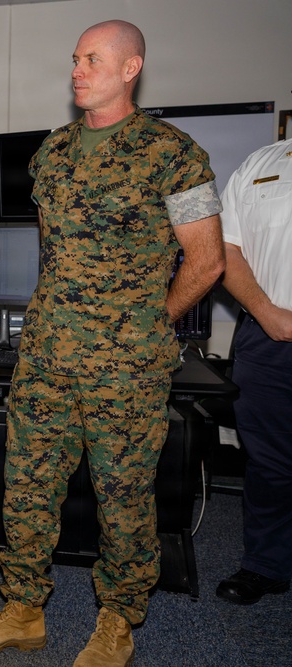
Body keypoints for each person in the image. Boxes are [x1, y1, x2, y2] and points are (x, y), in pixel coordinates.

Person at [0, 20, 224, 667]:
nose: (77, 69)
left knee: (123, 492)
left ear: (131, 68)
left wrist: (150, 323)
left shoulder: (172, 152)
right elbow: (56, 251)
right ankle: (22, 609)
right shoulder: (53, 152)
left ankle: (118, 619)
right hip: (47, 358)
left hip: (126, 366)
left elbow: (206, 261)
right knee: (28, 486)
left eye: (92, 59)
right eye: (74, 59)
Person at [215, 138, 292, 605]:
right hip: (269, 334)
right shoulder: (262, 163)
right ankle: (266, 564)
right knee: (271, 462)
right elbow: (227, 249)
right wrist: (265, 312)